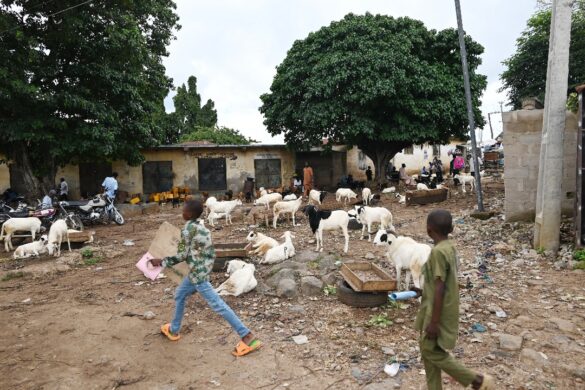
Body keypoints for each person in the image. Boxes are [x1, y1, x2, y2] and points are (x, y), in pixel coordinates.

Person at [149, 200, 262, 356]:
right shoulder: (202, 228)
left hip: (198, 275)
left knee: (217, 304)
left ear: (188, 214)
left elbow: (182, 255)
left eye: (183, 209)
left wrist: (161, 262)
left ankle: (247, 335)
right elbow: (207, 252)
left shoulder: (188, 230)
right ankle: (174, 329)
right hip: (202, 270)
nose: (182, 212)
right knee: (180, 294)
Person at [412, 210, 494, 390]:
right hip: (442, 307)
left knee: (428, 349)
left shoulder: (438, 253)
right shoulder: (450, 247)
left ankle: (476, 380)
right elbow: (441, 282)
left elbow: (440, 288)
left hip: (437, 311)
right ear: (452, 228)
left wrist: (434, 322)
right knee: (430, 352)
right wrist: (421, 290)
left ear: (428, 229)